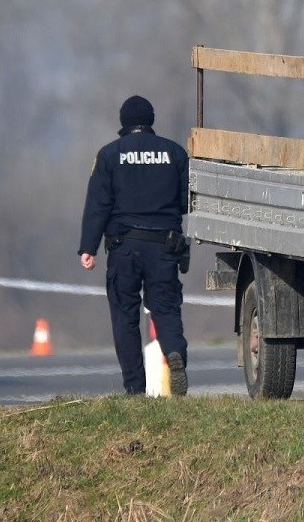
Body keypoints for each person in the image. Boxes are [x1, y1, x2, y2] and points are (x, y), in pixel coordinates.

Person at [78, 95, 191, 396]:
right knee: (165, 309)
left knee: (125, 316)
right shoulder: (175, 153)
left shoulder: (109, 155)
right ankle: (175, 353)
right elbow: (185, 202)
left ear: (123, 122)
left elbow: (97, 206)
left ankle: (135, 388)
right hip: (164, 247)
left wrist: (88, 247)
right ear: (151, 120)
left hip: (124, 248)